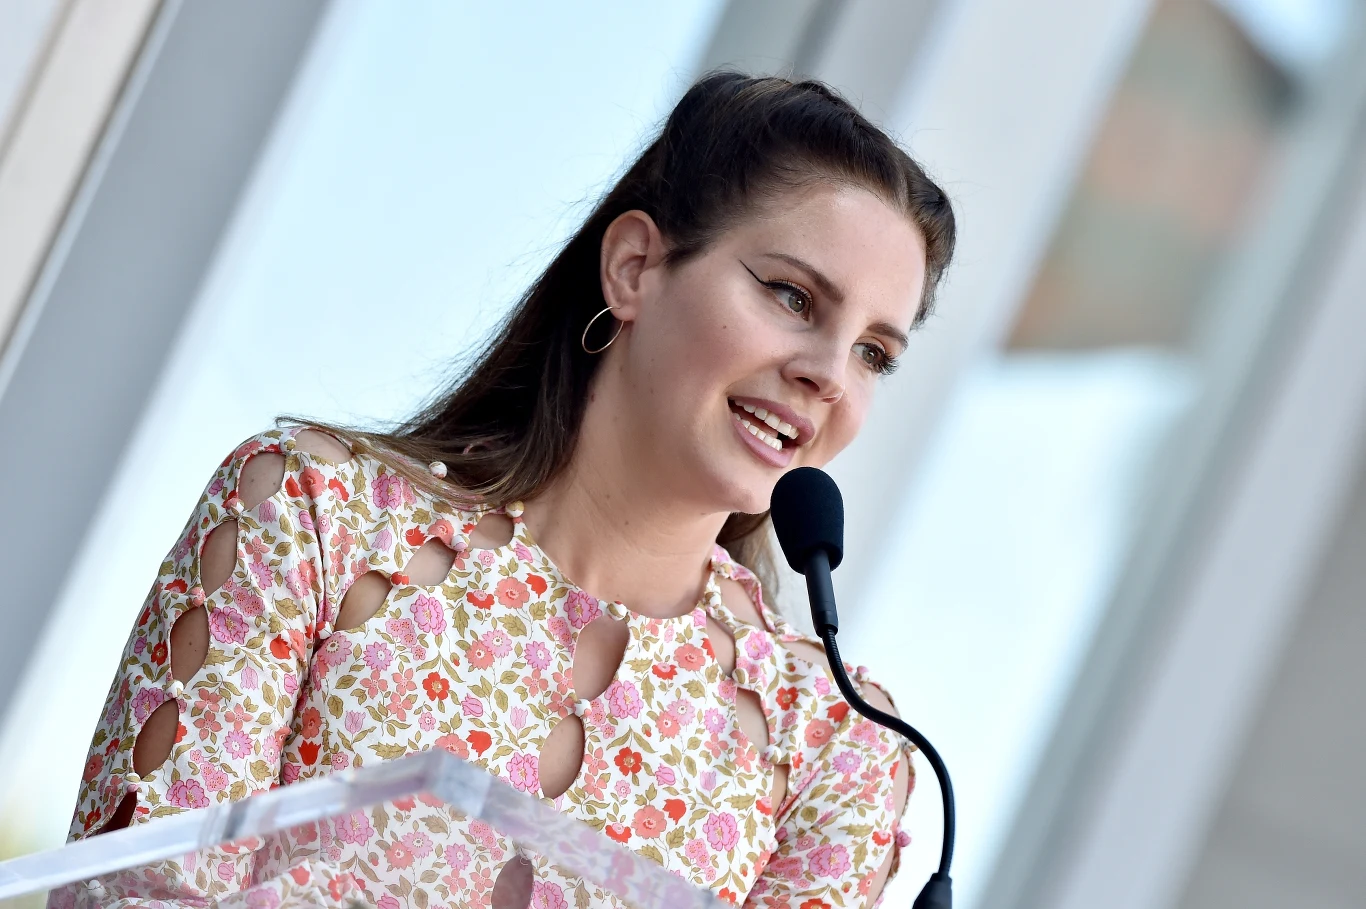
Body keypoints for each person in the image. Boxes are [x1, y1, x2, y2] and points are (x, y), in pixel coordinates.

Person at [61, 71, 955, 908]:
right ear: (635, 267)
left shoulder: (838, 750)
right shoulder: (311, 514)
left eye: (873, 352)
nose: (828, 374)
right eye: (793, 297)